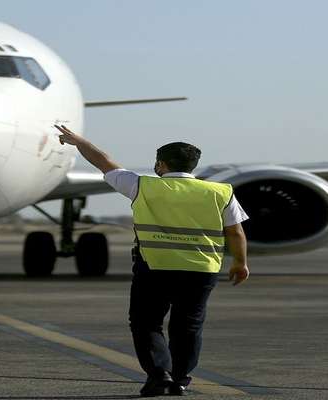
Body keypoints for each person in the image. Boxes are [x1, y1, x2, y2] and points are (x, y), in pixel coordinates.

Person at [54, 125, 250, 396]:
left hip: (155, 266)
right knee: (189, 326)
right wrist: (240, 262)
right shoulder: (220, 192)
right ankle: (180, 379)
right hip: (201, 270)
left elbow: (104, 161)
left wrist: (79, 141)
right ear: (193, 165)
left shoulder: (142, 185)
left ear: (161, 164)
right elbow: (235, 231)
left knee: (146, 323)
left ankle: (160, 375)